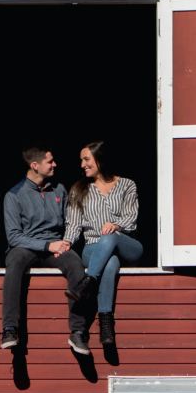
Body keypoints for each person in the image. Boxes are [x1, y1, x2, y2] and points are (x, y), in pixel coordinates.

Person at [1, 145, 97, 355]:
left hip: (54, 246)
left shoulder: (59, 190)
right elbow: (14, 236)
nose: (55, 164)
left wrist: (64, 242)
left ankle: (78, 332)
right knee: (14, 260)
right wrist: (46, 245)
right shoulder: (14, 195)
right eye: (50, 161)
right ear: (35, 166)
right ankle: (10, 329)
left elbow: (70, 222)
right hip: (27, 247)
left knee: (74, 262)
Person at [64, 140, 143, 348]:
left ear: (100, 159)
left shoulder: (127, 185)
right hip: (93, 249)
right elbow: (73, 226)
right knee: (110, 262)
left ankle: (88, 282)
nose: (82, 164)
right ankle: (106, 324)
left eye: (86, 159)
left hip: (126, 244)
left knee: (109, 237)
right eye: (81, 160)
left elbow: (132, 218)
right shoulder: (79, 190)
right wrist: (65, 243)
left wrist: (115, 225)